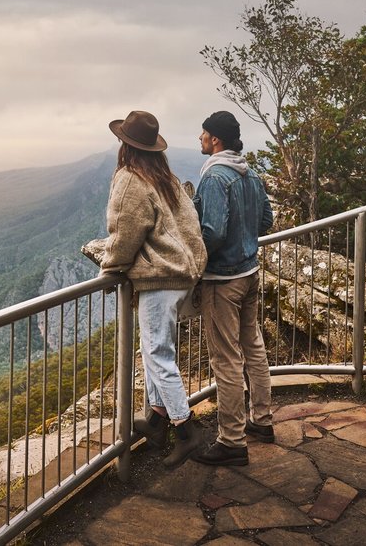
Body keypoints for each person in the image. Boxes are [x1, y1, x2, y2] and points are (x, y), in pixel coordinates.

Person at [100, 110, 208, 468]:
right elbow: (191, 227)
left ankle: (186, 430)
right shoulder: (167, 177)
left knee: (158, 356)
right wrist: (194, 265)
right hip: (182, 275)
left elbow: (125, 231)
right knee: (156, 352)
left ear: (125, 146)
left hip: (159, 279)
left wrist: (111, 265)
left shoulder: (131, 178)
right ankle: (157, 420)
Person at [192, 110, 274, 467]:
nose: (200, 138)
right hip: (251, 272)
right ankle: (263, 421)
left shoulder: (214, 178)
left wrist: (193, 264)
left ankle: (232, 440)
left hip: (222, 281)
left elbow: (212, 232)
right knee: (253, 347)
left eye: (204, 133)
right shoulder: (250, 173)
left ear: (216, 140)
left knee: (225, 359)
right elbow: (267, 220)